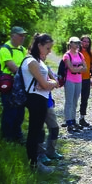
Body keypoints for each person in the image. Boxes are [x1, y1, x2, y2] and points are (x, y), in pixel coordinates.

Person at [22, 33, 59, 173]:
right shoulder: (31, 62)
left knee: (36, 131)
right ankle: (34, 164)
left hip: (41, 98)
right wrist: (52, 83)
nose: (50, 51)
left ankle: (35, 162)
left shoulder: (38, 60)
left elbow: (46, 83)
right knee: (34, 132)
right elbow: (45, 83)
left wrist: (49, 83)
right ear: (39, 45)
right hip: (35, 99)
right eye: (48, 48)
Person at [0, 26, 27, 142]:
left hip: (20, 84)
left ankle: (17, 135)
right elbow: (13, 68)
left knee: (20, 111)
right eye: (20, 35)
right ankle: (7, 137)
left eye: (24, 35)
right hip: (9, 84)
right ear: (12, 35)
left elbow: (27, 64)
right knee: (10, 110)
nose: (23, 38)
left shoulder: (22, 49)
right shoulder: (5, 49)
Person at [63, 37, 87, 133]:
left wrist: (77, 68)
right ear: (70, 44)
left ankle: (73, 121)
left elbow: (85, 68)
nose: (77, 45)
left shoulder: (80, 55)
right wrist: (79, 68)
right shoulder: (67, 55)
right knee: (69, 101)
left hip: (78, 80)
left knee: (75, 101)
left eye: (78, 43)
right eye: (75, 43)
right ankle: (68, 122)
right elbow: (71, 69)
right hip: (69, 79)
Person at [78, 35, 92, 128]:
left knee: (84, 99)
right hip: (76, 79)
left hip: (86, 79)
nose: (86, 43)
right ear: (80, 42)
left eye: (87, 42)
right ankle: (70, 119)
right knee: (73, 99)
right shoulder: (77, 52)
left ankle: (82, 118)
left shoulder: (90, 53)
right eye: (84, 41)